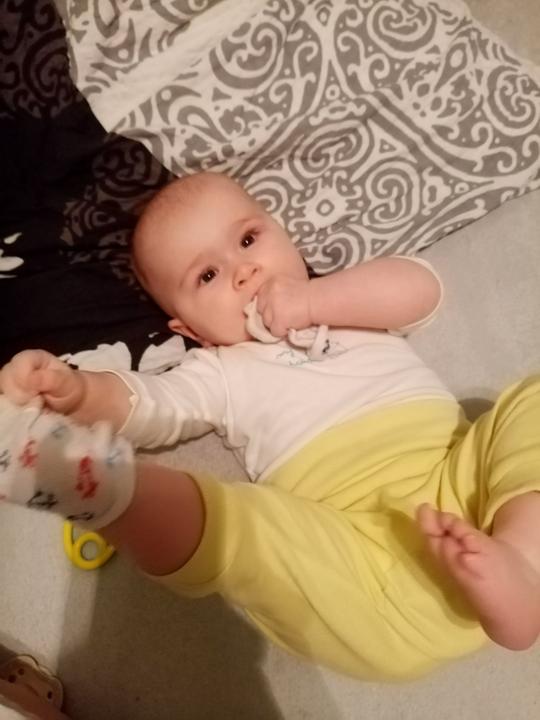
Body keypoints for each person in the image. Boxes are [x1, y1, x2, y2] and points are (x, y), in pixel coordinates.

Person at [0, 172, 539, 681]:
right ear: (191, 330)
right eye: (207, 276)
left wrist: (314, 300)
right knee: (242, 528)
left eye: (249, 239)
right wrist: (80, 392)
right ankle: (103, 488)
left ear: (287, 238)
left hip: (464, 481)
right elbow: (149, 407)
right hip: (366, 564)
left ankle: (523, 557)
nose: (243, 271)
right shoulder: (218, 370)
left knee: (530, 401)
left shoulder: (349, 304)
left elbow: (423, 289)